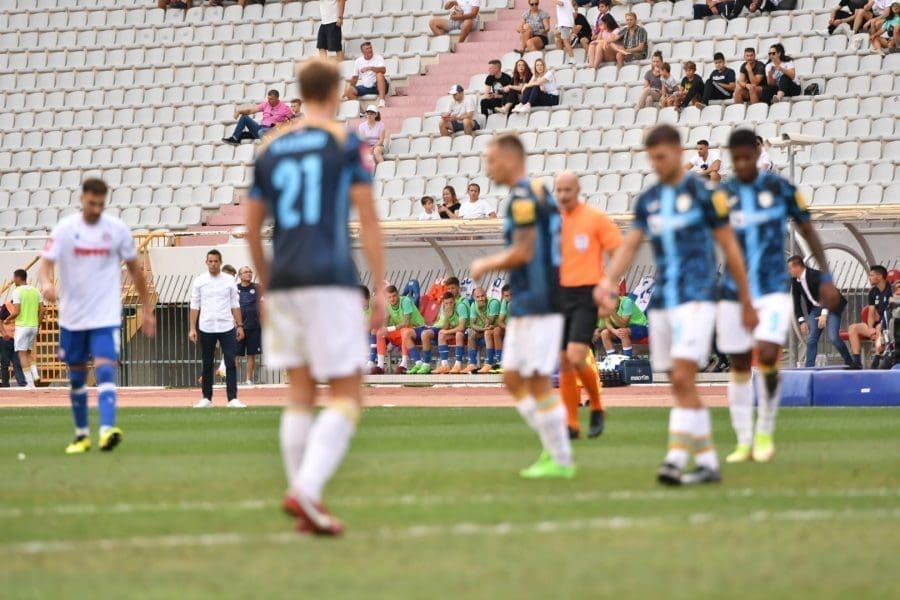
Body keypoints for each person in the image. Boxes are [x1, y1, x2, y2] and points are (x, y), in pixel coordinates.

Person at [244, 58, 386, 536]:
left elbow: (251, 227)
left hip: (285, 277)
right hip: (330, 276)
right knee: (347, 392)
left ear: (301, 93)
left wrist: (266, 283)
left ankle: (305, 497)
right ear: (337, 91)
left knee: (300, 392)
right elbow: (368, 219)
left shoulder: (271, 146)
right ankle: (306, 489)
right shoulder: (346, 141)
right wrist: (380, 286)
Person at [593, 124, 757, 486]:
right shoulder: (649, 199)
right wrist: (607, 282)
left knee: (683, 375)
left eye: (662, 156)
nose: (657, 163)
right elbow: (631, 244)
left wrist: (744, 296)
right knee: (678, 383)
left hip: (697, 296)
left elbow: (729, 246)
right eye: (652, 158)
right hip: (663, 300)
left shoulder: (705, 196)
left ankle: (675, 457)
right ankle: (707, 461)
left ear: (679, 153)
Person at [717, 128, 839, 465]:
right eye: (737, 159)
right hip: (734, 289)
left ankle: (764, 433)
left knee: (769, 353)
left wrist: (826, 276)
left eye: (748, 157)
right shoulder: (723, 195)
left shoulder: (781, 188)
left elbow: (808, 230)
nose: (743, 164)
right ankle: (743, 440)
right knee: (740, 361)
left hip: (772, 286)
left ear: (759, 152)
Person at [470, 133, 574, 480]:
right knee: (512, 377)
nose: (488, 168)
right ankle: (555, 446)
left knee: (537, 380)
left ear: (510, 159)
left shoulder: (523, 198)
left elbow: (524, 251)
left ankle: (560, 457)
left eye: (491, 160)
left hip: (540, 300)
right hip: (527, 300)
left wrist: (486, 264)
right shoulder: (533, 193)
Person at [38, 178, 156, 454]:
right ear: (82, 199)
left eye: (101, 204)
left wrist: (147, 308)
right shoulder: (65, 229)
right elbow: (45, 264)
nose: (96, 209)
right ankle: (82, 435)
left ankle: (106, 430)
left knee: (105, 368)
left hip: (105, 314)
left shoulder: (116, 230)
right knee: (77, 377)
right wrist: (45, 283)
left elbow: (135, 270)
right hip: (73, 316)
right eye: (92, 203)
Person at [556, 171, 622, 439]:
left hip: (587, 294)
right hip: (561, 295)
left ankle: (596, 404)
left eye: (567, 190)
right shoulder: (553, 224)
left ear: (577, 189)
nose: (563, 195)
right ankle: (571, 423)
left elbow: (618, 252)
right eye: (559, 190)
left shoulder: (595, 219)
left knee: (575, 355)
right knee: (564, 361)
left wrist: (611, 288)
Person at [190, 250, 246, 409]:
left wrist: (240, 325)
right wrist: (192, 328)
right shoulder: (200, 281)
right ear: (206, 262)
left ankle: (232, 399)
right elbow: (195, 305)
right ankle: (206, 398)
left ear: (220, 262)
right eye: (210, 261)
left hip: (226, 326)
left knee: (230, 362)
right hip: (206, 326)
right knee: (207, 363)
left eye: (216, 261)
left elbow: (235, 304)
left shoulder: (229, 280)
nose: (213, 264)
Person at [788, 256, 855, 368]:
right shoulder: (795, 280)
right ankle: (809, 368)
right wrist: (801, 321)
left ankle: (850, 362)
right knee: (811, 339)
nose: (789, 271)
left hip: (831, 305)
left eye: (790, 268)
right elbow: (796, 301)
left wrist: (824, 314)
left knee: (833, 337)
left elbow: (827, 294)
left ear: (798, 267)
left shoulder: (816, 275)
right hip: (815, 309)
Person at [374, 285, 425, 374]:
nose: (392, 299)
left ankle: (404, 364)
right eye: (389, 297)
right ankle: (380, 366)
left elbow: (406, 323)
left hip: (417, 329)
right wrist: (383, 329)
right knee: (379, 333)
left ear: (398, 294)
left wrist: (388, 329)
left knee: (404, 331)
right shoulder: (387, 304)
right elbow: (386, 320)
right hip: (402, 330)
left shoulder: (405, 301)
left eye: (394, 296)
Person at [8, 269, 42, 389]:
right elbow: (42, 309)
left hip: (22, 327)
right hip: (33, 326)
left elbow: (16, 311)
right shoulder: (36, 291)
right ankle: (35, 375)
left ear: (18, 278)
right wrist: (38, 324)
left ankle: (30, 383)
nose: (13, 280)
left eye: (14, 278)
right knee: (27, 353)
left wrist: (7, 319)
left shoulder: (17, 291)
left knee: (21, 354)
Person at [222, 90, 294, 145]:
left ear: (277, 98)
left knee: (261, 131)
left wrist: (283, 124)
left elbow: (293, 119)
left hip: (272, 130)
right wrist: (240, 111)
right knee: (244, 117)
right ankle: (235, 139)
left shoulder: (285, 108)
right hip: (261, 128)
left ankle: (270, 147)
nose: (269, 101)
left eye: (271, 99)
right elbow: (251, 110)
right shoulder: (266, 104)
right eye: (268, 98)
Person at [421, 291, 468, 374]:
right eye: (446, 303)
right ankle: (445, 365)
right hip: (454, 329)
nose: (449, 305)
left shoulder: (461, 306)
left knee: (458, 334)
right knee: (441, 334)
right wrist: (447, 316)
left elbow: (462, 327)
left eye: (451, 303)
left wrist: (447, 331)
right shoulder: (444, 308)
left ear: (454, 301)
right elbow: (445, 327)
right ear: (443, 303)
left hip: (466, 330)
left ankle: (458, 364)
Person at [236, 266, 262, 386]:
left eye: (250, 272)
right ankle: (232, 378)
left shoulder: (257, 288)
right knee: (235, 354)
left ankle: (248, 379)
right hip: (238, 327)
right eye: (246, 272)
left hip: (254, 326)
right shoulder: (235, 289)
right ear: (240, 276)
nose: (249, 274)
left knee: (251, 354)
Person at [344, 41, 389, 108]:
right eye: (367, 48)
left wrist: (370, 68)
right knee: (349, 90)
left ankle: (382, 101)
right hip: (365, 87)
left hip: (377, 86)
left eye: (370, 48)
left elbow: (383, 70)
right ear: (363, 51)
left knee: (379, 74)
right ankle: (360, 111)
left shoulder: (378, 57)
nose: (370, 50)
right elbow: (355, 77)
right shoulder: (358, 61)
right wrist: (348, 90)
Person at [464, 287, 498, 373]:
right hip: (485, 329)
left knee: (487, 332)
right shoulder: (473, 305)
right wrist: (482, 328)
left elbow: (489, 322)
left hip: (496, 330)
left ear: (486, 295)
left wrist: (480, 310)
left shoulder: (493, 303)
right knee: (471, 333)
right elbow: (472, 324)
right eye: (478, 297)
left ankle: (489, 363)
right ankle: (472, 364)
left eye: (482, 296)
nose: (480, 299)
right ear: (474, 298)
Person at [0, 301, 26, 387]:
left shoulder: (22, 307)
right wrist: (4, 334)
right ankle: (5, 385)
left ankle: (22, 384)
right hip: (5, 339)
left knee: (17, 362)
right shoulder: (7, 306)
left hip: (16, 339)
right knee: (5, 363)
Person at [554, 0, 577, 65]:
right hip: (564, 24)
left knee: (566, 41)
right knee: (558, 35)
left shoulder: (564, 0)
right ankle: (571, 38)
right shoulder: (568, 2)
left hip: (565, 24)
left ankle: (572, 58)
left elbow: (561, 3)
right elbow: (573, 13)